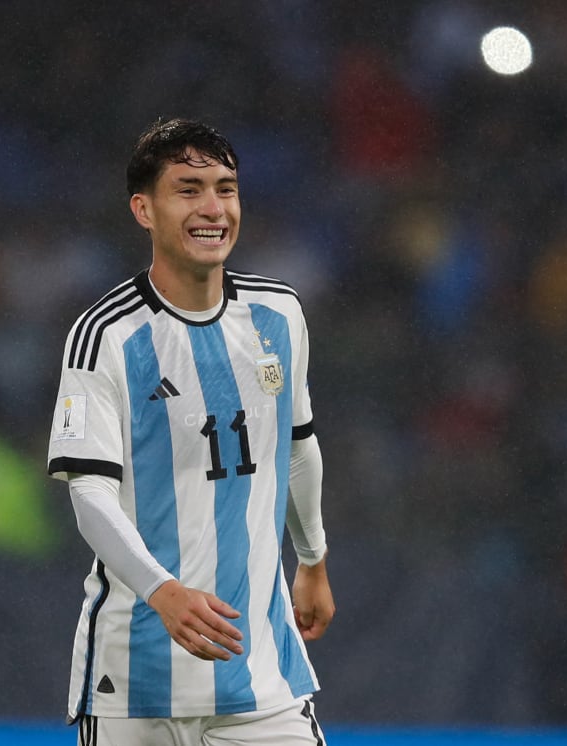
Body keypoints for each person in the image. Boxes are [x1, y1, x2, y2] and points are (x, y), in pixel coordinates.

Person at [46, 118, 335, 745]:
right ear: (143, 209)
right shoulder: (104, 336)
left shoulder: (279, 314)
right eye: (189, 189)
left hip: (260, 678)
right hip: (137, 680)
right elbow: (89, 496)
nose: (213, 208)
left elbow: (297, 446)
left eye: (225, 188)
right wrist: (163, 592)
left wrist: (311, 558)